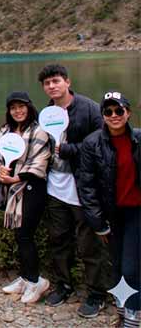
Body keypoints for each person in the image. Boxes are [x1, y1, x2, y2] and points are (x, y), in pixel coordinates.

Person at [38, 64, 110, 317]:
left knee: (88, 241)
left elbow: (102, 145)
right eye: (47, 83)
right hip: (55, 185)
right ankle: (64, 284)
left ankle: (96, 294)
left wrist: (72, 150)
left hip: (82, 187)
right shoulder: (46, 112)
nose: (52, 86)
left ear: (67, 82)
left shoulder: (89, 108)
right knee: (59, 238)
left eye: (56, 81)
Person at [79, 91, 141, 328]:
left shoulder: (139, 139)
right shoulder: (92, 143)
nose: (114, 115)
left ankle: (134, 316)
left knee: (131, 266)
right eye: (108, 111)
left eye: (119, 110)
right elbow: (87, 186)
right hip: (111, 216)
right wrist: (97, 223)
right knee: (116, 267)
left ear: (128, 112)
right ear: (103, 115)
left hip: (136, 212)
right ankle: (124, 311)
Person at [0, 91, 52, 303]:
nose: (17, 111)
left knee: (25, 234)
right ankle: (25, 277)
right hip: (11, 189)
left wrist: (16, 178)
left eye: (21, 106)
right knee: (18, 235)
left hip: (31, 188)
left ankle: (36, 281)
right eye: (13, 108)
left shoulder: (40, 131)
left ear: (29, 107)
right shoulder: (5, 131)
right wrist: (1, 168)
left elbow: (41, 160)